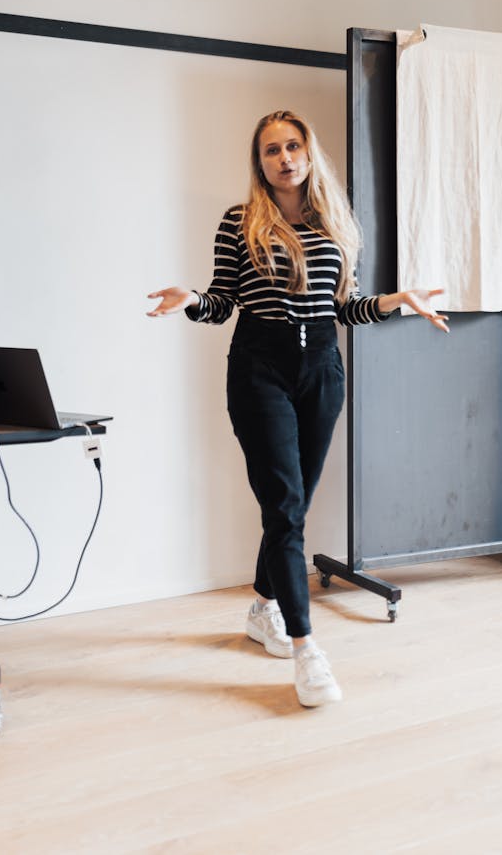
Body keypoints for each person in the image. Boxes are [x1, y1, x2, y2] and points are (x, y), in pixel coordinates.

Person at [147, 109, 448, 709]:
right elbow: (224, 302)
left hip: (322, 373)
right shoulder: (240, 222)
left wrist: (394, 300)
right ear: (258, 163)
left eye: (292, 146)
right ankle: (309, 652)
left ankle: (263, 607)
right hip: (260, 369)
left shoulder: (336, 223)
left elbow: (346, 307)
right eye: (270, 151)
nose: (283, 158)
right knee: (285, 508)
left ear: (309, 154)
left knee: (293, 506)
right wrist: (191, 301)